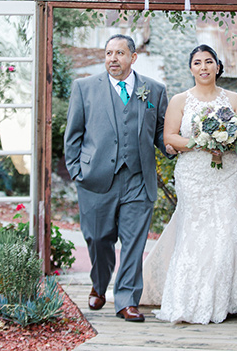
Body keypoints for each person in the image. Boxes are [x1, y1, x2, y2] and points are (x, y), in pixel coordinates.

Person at [141, 44, 237, 324]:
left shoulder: (233, 98)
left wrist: (230, 140)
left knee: (228, 227)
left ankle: (229, 299)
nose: (203, 67)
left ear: (218, 66)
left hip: (227, 173)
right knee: (195, 231)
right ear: (191, 68)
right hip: (193, 174)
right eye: (198, 62)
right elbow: (169, 138)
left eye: (209, 61)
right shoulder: (180, 100)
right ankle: (192, 298)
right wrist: (202, 142)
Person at [64, 34, 172, 322]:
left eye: (120, 53)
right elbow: (73, 136)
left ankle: (126, 300)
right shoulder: (85, 88)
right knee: (98, 239)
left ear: (132, 58)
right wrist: (77, 172)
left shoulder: (155, 90)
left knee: (134, 242)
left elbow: (161, 132)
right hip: (95, 179)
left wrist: (173, 146)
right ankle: (99, 284)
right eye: (109, 53)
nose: (113, 58)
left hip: (138, 178)